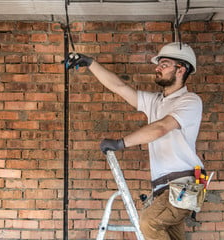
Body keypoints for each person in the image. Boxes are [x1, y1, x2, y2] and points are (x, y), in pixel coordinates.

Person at [65, 42, 205, 240]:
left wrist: (121, 143)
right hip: (163, 189)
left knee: (149, 222)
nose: (157, 68)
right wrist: (90, 63)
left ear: (180, 69)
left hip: (182, 184)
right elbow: (119, 87)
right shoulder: (156, 102)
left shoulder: (190, 101)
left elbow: (161, 127)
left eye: (164, 64)